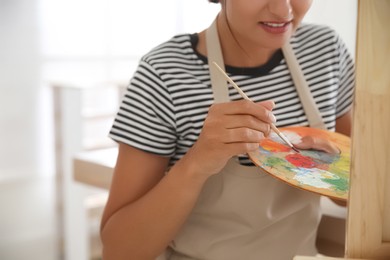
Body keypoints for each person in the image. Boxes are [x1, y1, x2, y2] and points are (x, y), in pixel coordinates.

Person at [100, 0, 355, 259]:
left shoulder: (326, 51)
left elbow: (355, 197)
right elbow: (119, 251)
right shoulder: (164, 74)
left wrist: (331, 165)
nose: (283, 11)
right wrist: (197, 162)